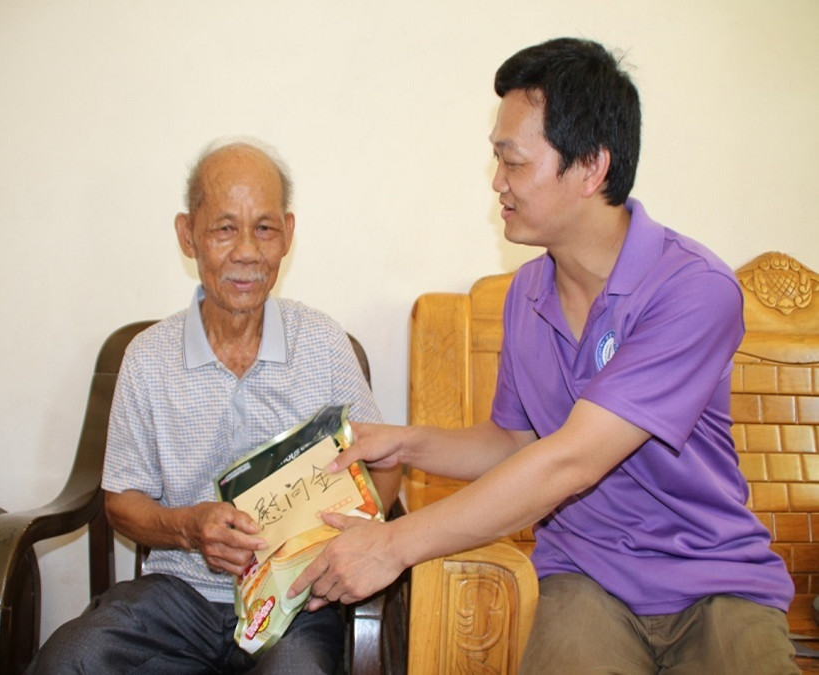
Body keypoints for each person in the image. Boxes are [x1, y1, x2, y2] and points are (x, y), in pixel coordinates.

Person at [290, 38, 798, 673]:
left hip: (714, 580)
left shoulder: (693, 291)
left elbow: (570, 461)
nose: (497, 182)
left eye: (514, 162)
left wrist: (393, 545)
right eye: (497, 159)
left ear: (590, 168)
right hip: (587, 577)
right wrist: (408, 443)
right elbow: (517, 440)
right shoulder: (527, 293)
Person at [26, 139, 401, 674]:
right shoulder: (149, 358)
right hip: (177, 597)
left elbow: (384, 465)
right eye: (225, 229)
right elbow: (121, 501)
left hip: (296, 602)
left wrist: (340, 545)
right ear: (188, 235)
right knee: (72, 660)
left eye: (264, 228)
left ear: (287, 234)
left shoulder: (322, 344)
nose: (247, 251)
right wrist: (189, 528)